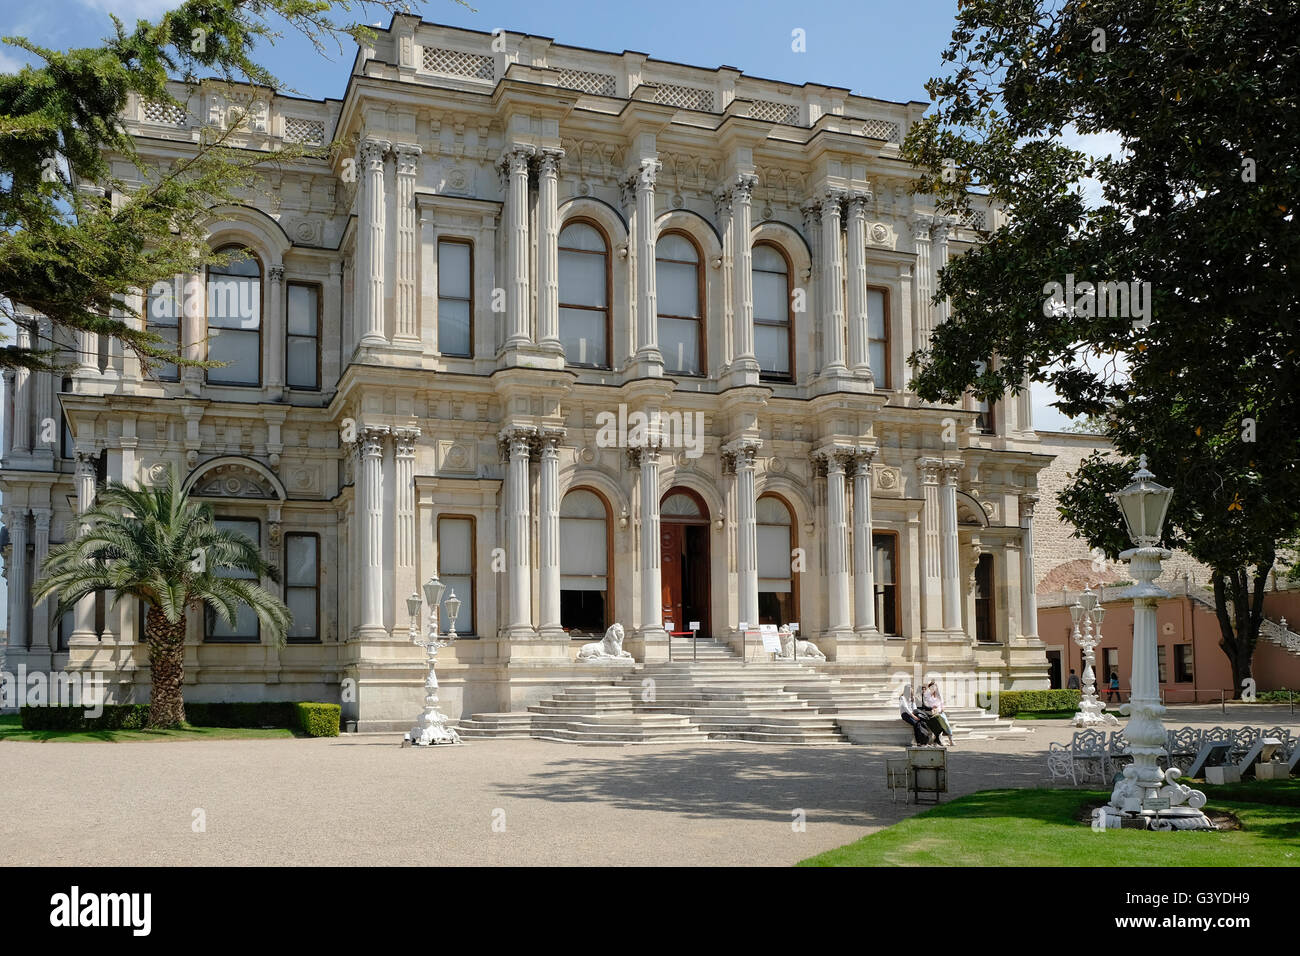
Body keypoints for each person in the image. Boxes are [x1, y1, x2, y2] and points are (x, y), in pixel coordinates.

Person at [922, 680, 956, 748]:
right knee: (939, 724)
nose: (933, 688)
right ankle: (937, 740)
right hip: (933, 712)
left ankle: (951, 740)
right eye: (932, 687)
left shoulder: (939, 694)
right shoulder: (927, 695)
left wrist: (942, 708)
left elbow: (942, 703)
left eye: (935, 687)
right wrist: (932, 707)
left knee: (946, 723)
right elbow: (926, 704)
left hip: (940, 711)